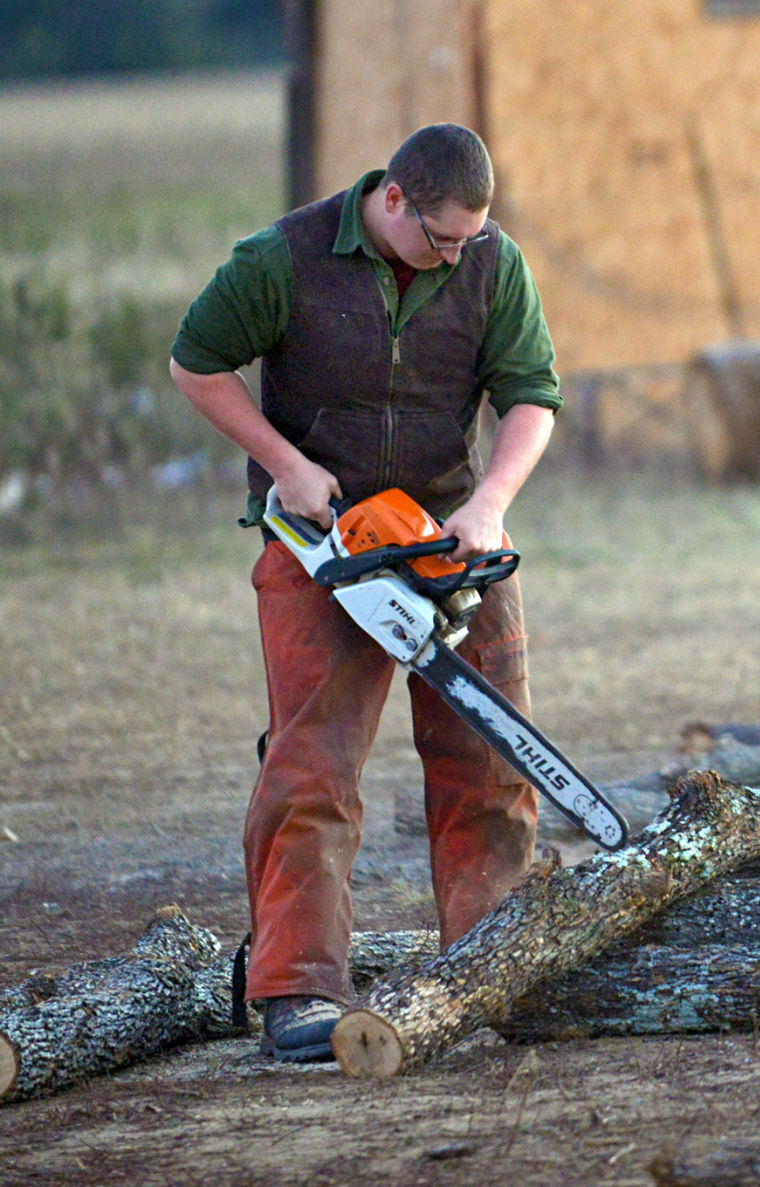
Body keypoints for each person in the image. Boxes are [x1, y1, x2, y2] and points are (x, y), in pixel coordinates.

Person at [169, 123, 561, 1062]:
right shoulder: (282, 259)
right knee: (313, 764)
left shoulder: (492, 264)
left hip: (444, 533)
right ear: (393, 200)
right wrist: (284, 464)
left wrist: (490, 504)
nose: (456, 256)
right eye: (441, 238)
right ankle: (298, 986)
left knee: (488, 758)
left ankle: (491, 964)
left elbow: (531, 395)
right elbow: (195, 363)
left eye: (470, 239)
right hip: (322, 540)